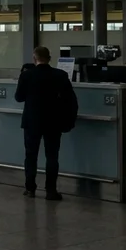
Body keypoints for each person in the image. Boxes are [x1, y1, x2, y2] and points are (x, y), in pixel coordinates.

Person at [15, 46, 78, 201]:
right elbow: (69, 99)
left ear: (34, 58)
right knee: (52, 156)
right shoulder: (60, 75)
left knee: (31, 155)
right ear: (49, 58)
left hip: (31, 121)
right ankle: (51, 191)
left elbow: (19, 97)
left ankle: (30, 188)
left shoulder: (27, 75)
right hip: (53, 121)